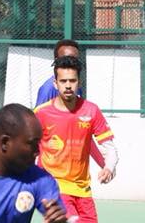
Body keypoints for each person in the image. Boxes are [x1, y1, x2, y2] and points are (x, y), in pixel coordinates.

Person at [18, 55, 118, 223]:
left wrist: (109, 167)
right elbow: (25, 147)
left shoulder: (91, 111)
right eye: (63, 81)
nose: (68, 85)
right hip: (53, 187)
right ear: (55, 83)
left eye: (72, 80)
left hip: (82, 188)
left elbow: (109, 146)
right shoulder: (41, 114)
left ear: (79, 82)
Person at [34, 39, 105, 171]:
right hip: (51, 172)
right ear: (56, 60)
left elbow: (85, 133)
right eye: (67, 58)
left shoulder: (76, 88)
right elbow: (35, 131)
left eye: (76, 59)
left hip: (74, 173)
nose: (72, 63)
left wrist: (104, 164)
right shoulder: (48, 89)